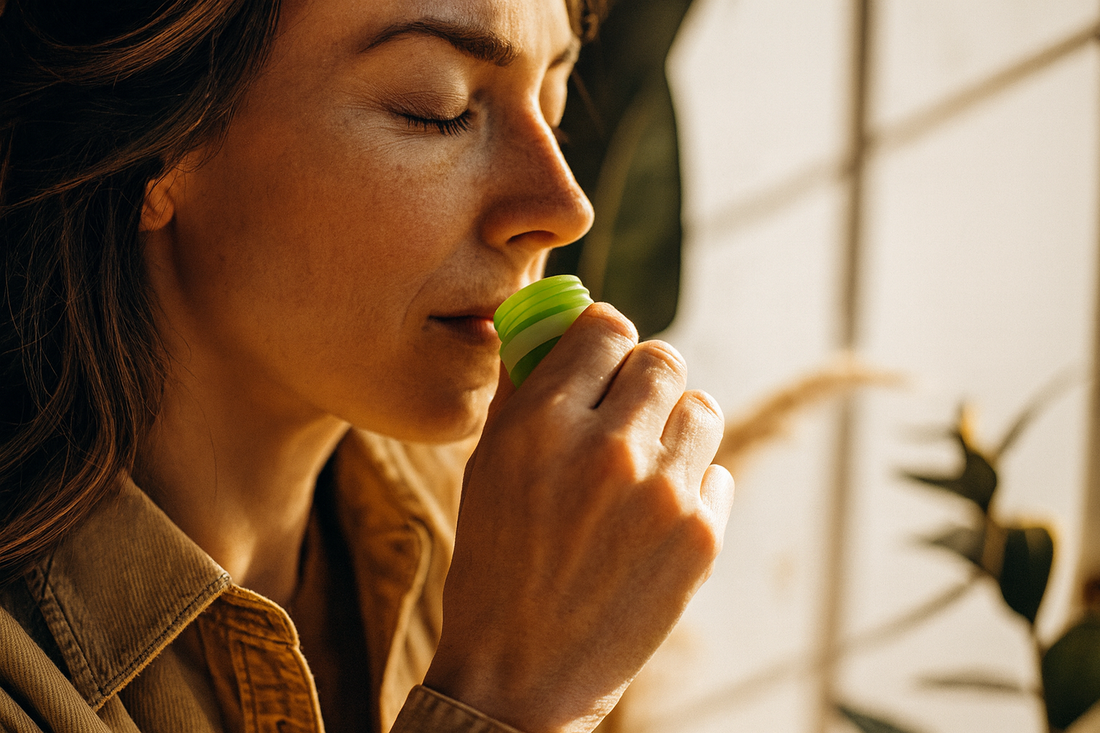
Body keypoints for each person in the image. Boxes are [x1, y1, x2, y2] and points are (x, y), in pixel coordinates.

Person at [0, 0, 735, 730]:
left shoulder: (510, 525)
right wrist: (504, 696)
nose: (566, 207)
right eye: (438, 107)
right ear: (155, 143)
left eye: (555, 99)